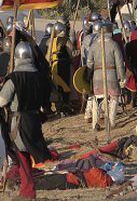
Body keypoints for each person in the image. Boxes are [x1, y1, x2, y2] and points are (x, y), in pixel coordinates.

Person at [0, 42, 52, 199]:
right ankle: (17, 183)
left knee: (20, 155)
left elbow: (2, 101)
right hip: (35, 119)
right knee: (24, 154)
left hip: (19, 122)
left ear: (16, 58)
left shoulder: (15, 78)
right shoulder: (40, 76)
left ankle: (28, 191)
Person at [87, 21, 125, 130]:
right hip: (111, 74)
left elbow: (89, 63)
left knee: (97, 99)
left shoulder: (94, 45)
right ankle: (110, 122)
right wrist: (122, 76)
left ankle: (95, 123)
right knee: (114, 97)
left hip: (97, 75)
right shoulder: (113, 44)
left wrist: (89, 76)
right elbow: (119, 62)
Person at [50, 22, 74, 115]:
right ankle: (65, 106)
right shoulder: (66, 40)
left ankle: (59, 107)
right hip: (64, 65)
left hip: (54, 66)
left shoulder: (50, 40)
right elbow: (71, 52)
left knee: (58, 87)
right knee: (65, 86)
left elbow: (48, 55)